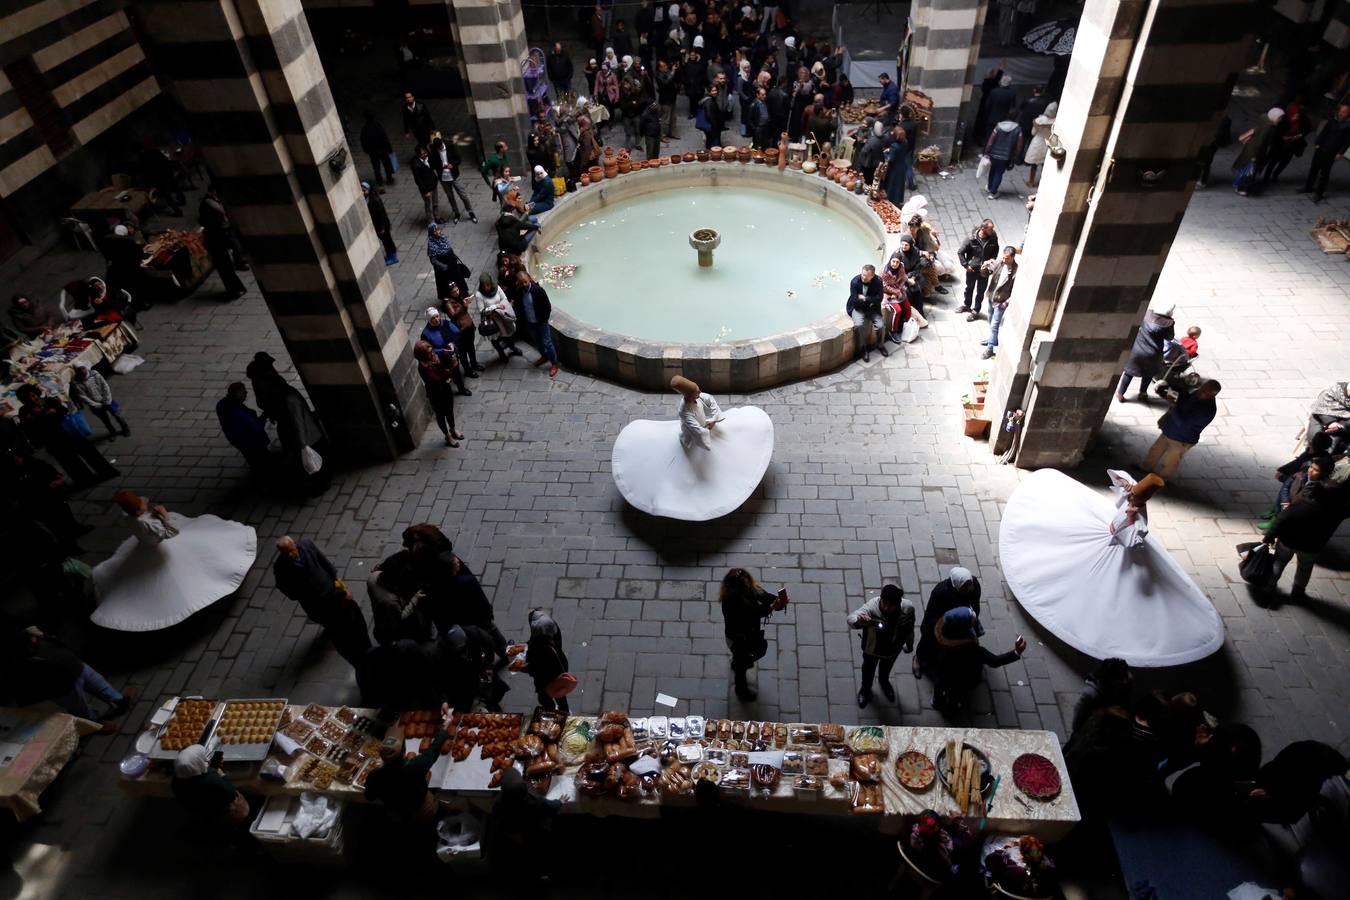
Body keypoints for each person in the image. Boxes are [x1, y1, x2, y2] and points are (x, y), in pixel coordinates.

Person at [1000, 467, 1224, 666]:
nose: (1130, 498)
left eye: (1134, 497)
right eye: (1132, 495)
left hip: (1117, 549)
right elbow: (1116, 476)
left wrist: (1129, 520)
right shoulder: (1130, 495)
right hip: (1104, 534)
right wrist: (1127, 486)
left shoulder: (1138, 522)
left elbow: (1132, 542)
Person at [611, 374, 774, 520]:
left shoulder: (701, 397)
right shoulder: (684, 411)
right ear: (688, 396)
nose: (699, 392)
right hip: (693, 438)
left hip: (708, 427)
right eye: (696, 392)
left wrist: (713, 418)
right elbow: (693, 428)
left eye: (698, 389)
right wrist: (705, 430)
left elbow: (711, 402)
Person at [91, 490, 257, 631]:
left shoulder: (129, 519)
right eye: (142, 505)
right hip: (161, 548)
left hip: (145, 547)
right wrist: (164, 515)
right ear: (139, 510)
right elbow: (169, 533)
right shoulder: (147, 523)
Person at [3, 624, 132, 732]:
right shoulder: (19, 662)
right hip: (62, 686)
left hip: (76, 665)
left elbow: (60, 644)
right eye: (32, 639)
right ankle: (96, 724)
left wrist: (43, 636)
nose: (34, 639)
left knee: (100, 684)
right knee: (82, 709)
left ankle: (119, 701)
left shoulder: (34, 639)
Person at [273, 535, 371, 664]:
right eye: (287, 553)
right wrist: (297, 594)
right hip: (313, 601)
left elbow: (323, 561)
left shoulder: (307, 545)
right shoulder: (280, 567)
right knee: (326, 619)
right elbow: (282, 586)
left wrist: (336, 579)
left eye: (292, 550)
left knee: (342, 610)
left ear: (295, 544)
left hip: (328, 588)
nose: (291, 555)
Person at [1261, 466, 1348, 600]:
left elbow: (1282, 519)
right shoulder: (1336, 511)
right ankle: (1298, 592)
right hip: (1312, 547)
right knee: (1304, 569)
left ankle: (1269, 586)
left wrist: (1269, 537)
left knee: (1279, 562)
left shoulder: (1302, 503)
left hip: (1288, 541)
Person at [244, 351, 328, 487]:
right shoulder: (279, 390)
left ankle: (315, 484)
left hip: (304, 436)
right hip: (303, 435)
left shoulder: (287, 398)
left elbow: (298, 422)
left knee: (309, 462)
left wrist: (303, 444)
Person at [15, 384, 120, 487]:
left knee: (90, 453)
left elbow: (63, 411)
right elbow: (29, 428)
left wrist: (53, 413)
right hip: (53, 442)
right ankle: (86, 480)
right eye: (29, 398)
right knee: (71, 463)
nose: (33, 399)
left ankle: (107, 472)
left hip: (69, 433)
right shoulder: (24, 411)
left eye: (33, 395)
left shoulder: (48, 401)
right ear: (24, 401)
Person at [365, 704, 450, 825]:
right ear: (404, 751)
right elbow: (433, 750)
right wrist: (444, 729)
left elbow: (369, 796)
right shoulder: (415, 767)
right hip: (423, 810)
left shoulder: (375, 776)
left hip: (397, 814)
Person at [930, 607, 1026, 711]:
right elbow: (994, 661)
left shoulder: (942, 634)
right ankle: (953, 708)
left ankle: (937, 702)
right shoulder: (974, 651)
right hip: (964, 680)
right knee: (956, 695)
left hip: (945, 677)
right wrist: (1016, 652)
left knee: (942, 685)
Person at [719, 568, 788, 701]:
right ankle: (741, 690)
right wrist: (773, 607)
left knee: (744, 659)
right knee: (742, 666)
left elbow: (764, 596)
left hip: (748, 634)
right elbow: (752, 613)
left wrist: (778, 602)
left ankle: (739, 663)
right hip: (738, 640)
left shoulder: (750, 588)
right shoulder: (732, 601)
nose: (749, 584)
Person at [847, 584, 914, 708]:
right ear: (881, 599)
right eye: (885, 603)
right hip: (872, 650)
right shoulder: (872, 607)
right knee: (868, 670)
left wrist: (909, 644)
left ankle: (884, 683)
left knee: (886, 669)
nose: (887, 607)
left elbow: (909, 628)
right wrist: (859, 621)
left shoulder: (908, 608)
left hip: (893, 650)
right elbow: (851, 618)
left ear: (898, 603)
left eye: (891, 605)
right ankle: (865, 690)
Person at [1142, 379, 1221, 480]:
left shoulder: (1206, 411)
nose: (1200, 392)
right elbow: (1184, 399)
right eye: (1201, 388)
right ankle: (1145, 468)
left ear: (1212, 396)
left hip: (1182, 439)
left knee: (1171, 461)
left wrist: (1173, 407)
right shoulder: (1197, 393)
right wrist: (1171, 393)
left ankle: (1162, 480)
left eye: (1204, 392)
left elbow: (1184, 424)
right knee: (1155, 451)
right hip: (1169, 430)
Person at [913, 567, 980, 679]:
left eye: (970, 584)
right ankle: (919, 659)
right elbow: (931, 613)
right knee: (928, 642)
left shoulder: (974, 586)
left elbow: (975, 604)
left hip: (962, 621)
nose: (969, 588)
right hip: (940, 622)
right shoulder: (940, 591)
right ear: (956, 584)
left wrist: (971, 617)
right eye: (965, 586)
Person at [171, 745, 252, 826]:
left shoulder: (176, 781)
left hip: (201, 812)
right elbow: (230, 792)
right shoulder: (211, 779)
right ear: (199, 761)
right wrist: (221, 774)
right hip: (222, 812)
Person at [514, 608, 571, 711]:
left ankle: (553, 711)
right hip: (558, 670)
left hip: (547, 678)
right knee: (560, 696)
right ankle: (564, 710)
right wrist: (526, 645)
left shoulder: (543, 649)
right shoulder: (551, 629)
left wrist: (519, 668)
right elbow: (534, 640)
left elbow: (536, 668)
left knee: (546, 697)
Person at [1116, 306, 1176, 401]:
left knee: (1129, 372)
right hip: (1153, 353)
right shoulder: (1168, 324)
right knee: (1148, 373)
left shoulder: (1147, 314)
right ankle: (1142, 393)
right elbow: (1170, 337)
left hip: (1137, 349)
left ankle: (1120, 393)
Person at [413, 339, 466, 447]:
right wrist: (447, 373)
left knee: (449, 410)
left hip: (445, 388)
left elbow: (446, 358)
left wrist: (451, 354)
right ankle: (447, 436)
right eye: (429, 353)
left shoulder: (435, 356)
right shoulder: (423, 367)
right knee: (441, 415)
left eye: (431, 350)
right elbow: (435, 379)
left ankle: (453, 429)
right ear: (422, 355)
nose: (432, 353)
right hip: (435, 393)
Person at [198, 185, 247, 299]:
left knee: (227, 264)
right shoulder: (209, 202)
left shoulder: (211, 201)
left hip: (219, 236)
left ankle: (237, 288)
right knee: (225, 267)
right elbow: (221, 212)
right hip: (215, 238)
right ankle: (234, 290)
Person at [215, 382, 272, 477]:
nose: (246, 393)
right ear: (238, 395)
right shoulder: (240, 413)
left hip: (236, 439)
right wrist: (263, 416)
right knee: (259, 457)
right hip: (251, 441)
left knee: (250, 456)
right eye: (243, 392)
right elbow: (257, 427)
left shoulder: (221, 404)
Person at [1302, 102, 1350, 203]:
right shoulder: (1332, 121)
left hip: (1332, 152)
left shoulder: (1348, 126)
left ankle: (1319, 193)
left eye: (1344, 112)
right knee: (1313, 168)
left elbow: (1347, 142)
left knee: (1324, 173)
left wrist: (1340, 153)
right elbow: (1323, 132)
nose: (1341, 113)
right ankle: (1308, 187)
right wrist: (1317, 143)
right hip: (1321, 148)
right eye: (1341, 111)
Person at [516, 270, 559, 377]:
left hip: (541, 322)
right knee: (537, 342)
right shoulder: (519, 291)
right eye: (521, 283)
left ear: (529, 279)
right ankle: (544, 356)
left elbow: (547, 307)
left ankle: (554, 364)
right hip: (530, 322)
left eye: (525, 282)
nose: (524, 285)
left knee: (547, 342)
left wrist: (544, 320)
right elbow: (520, 305)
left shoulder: (538, 291)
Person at [979, 245, 1018, 359]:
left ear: (1012, 257)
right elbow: (986, 273)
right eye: (1003, 257)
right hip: (992, 296)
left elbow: (1016, 290)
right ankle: (993, 339)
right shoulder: (1000, 263)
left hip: (1001, 300)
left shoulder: (1015, 271)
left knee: (995, 324)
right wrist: (984, 267)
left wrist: (1006, 302)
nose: (1004, 260)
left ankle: (990, 348)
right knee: (990, 320)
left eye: (1007, 258)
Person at [429, 133, 477, 224]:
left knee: (463, 195)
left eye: (440, 148)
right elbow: (432, 164)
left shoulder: (450, 146)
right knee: (450, 196)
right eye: (437, 149)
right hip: (443, 177)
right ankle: (456, 213)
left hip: (454, 175)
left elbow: (459, 159)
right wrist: (440, 166)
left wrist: (452, 165)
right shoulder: (433, 150)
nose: (439, 150)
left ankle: (470, 212)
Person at [71, 365, 129, 439]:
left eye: (83, 368)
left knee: (117, 415)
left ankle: (125, 428)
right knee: (105, 420)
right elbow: (83, 397)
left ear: (86, 367)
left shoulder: (94, 374)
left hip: (107, 399)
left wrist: (107, 399)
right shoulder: (76, 382)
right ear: (76, 371)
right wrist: (96, 405)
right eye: (79, 370)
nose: (82, 371)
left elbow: (105, 386)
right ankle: (112, 432)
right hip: (95, 405)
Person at [957, 219, 999, 317]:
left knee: (981, 291)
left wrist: (992, 260)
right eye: (990, 229)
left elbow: (996, 250)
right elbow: (960, 252)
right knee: (969, 288)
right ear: (983, 229)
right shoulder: (971, 239)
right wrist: (966, 265)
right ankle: (967, 305)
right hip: (972, 269)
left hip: (985, 270)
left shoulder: (993, 238)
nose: (992, 231)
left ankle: (976, 310)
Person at [476, 272, 520, 363]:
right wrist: (495, 307)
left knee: (509, 334)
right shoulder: (479, 295)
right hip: (491, 320)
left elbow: (504, 298)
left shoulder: (497, 288)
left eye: (488, 285)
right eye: (484, 286)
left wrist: (502, 306)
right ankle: (501, 354)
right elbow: (482, 311)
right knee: (495, 338)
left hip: (502, 316)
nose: (486, 288)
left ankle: (512, 348)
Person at [846, 264, 887, 362]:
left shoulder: (878, 281)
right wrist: (871, 299)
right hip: (858, 308)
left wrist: (865, 298)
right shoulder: (855, 281)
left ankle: (880, 345)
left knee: (881, 326)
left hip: (873, 308)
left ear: (872, 276)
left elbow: (879, 299)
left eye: (866, 276)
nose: (863, 277)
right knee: (859, 325)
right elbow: (855, 300)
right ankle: (863, 349)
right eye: (862, 274)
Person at [1262, 101, 1309, 186]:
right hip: (1279, 144)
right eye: (1294, 115)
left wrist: (1297, 136)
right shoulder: (1283, 119)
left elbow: (1307, 129)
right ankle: (1266, 177)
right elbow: (1276, 131)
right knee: (1273, 161)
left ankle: (1275, 175)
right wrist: (1282, 137)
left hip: (1291, 145)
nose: (1296, 117)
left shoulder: (1303, 119)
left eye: (1297, 115)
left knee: (1284, 162)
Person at [426, 222, 469, 299]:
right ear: (431, 233)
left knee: (459, 280)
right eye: (435, 231)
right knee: (448, 285)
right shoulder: (432, 244)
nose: (438, 232)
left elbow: (448, 248)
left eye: (438, 229)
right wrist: (444, 267)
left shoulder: (443, 237)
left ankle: (463, 294)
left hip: (453, 265)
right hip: (444, 271)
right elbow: (433, 260)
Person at [360, 181, 398, 266]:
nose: (362, 192)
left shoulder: (374, 201)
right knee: (385, 240)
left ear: (368, 190)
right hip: (377, 225)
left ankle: (393, 256)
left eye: (364, 190)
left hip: (382, 225)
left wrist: (382, 228)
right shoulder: (367, 199)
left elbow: (381, 215)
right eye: (361, 190)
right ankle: (390, 254)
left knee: (387, 240)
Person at [985, 117, 1023, 199]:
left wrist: (987, 152)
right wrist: (1015, 156)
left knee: (992, 170)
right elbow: (1019, 145)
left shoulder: (998, 127)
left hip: (993, 154)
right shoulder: (1018, 129)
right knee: (999, 172)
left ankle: (989, 187)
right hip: (1006, 156)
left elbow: (990, 142)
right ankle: (993, 192)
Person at [1023, 102, 1057, 188]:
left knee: (1034, 164)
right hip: (1049, 143)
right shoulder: (1056, 121)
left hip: (1038, 142)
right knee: (1044, 164)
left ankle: (1031, 181)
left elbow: (1033, 132)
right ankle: (1042, 182)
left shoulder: (1040, 120)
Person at [879, 254, 912, 344]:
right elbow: (884, 286)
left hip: (899, 291)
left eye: (897, 262)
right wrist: (895, 292)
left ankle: (905, 326)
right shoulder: (884, 271)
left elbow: (903, 279)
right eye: (893, 261)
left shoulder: (901, 267)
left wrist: (898, 291)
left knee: (908, 308)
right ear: (890, 260)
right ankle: (893, 331)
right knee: (898, 310)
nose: (895, 264)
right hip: (887, 294)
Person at [360, 110, 395, 188]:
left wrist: (366, 150)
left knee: (376, 167)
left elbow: (363, 141)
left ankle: (380, 182)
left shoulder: (364, 129)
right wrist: (389, 148)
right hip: (382, 150)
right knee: (387, 164)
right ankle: (389, 178)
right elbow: (384, 137)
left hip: (373, 152)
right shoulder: (378, 125)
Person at [981, 74, 1017, 144]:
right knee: (999, 138)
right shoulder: (1012, 93)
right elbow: (1012, 108)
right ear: (1009, 83)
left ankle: (985, 152)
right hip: (1003, 119)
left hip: (992, 117)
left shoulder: (994, 91)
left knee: (989, 136)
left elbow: (987, 105)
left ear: (1001, 82)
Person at [410, 145, 442, 226]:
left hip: (433, 183)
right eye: (422, 154)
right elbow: (418, 180)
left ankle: (437, 217)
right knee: (428, 205)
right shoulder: (416, 164)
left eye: (425, 153)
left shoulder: (429, 158)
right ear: (418, 155)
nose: (424, 155)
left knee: (435, 202)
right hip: (426, 187)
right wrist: (425, 191)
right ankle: (431, 222)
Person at [882, 126, 909, 207]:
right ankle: (898, 200)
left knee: (893, 184)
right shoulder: (905, 142)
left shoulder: (894, 146)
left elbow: (890, 159)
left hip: (895, 168)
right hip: (902, 166)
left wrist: (886, 153)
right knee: (900, 185)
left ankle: (892, 201)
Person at [697, 84, 726, 150]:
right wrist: (715, 126)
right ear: (709, 91)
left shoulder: (707, 99)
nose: (715, 92)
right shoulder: (709, 102)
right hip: (712, 126)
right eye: (713, 91)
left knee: (710, 141)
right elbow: (710, 116)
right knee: (714, 144)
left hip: (710, 126)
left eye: (716, 90)